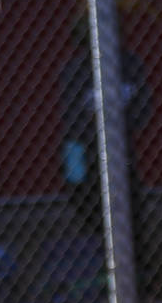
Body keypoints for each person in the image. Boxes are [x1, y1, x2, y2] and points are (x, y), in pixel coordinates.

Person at [59, 14, 152, 236]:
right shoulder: (75, 71)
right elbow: (73, 120)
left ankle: (132, 257)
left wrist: (118, 125)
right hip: (82, 148)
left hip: (120, 147)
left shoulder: (130, 65)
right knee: (82, 195)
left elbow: (143, 109)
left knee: (131, 204)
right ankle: (98, 244)